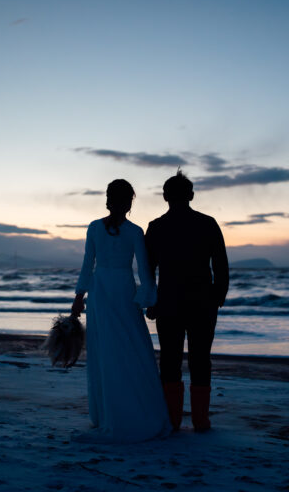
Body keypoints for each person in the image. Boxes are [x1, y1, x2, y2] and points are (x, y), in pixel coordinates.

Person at [71, 179, 171, 443]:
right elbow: (145, 271)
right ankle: (132, 408)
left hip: (101, 291)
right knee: (132, 347)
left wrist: (78, 297)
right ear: (129, 202)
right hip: (123, 290)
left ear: (108, 199)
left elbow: (86, 266)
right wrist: (148, 298)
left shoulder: (94, 228)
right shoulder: (135, 231)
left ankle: (107, 414)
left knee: (106, 351)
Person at [145, 170, 229, 432]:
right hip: (202, 302)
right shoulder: (207, 223)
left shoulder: (157, 227)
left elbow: (148, 270)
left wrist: (151, 301)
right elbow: (221, 265)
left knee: (170, 360)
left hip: (169, 302)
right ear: (191, 196)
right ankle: (201, 421)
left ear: (165, 197)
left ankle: (173, 420)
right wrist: (218, 296)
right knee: (200, 359)